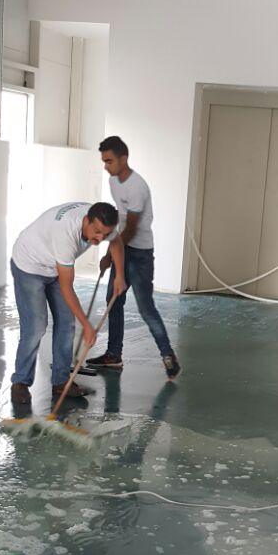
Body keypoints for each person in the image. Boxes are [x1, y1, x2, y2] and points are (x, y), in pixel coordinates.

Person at [10, 200, 125, 405]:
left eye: (105, 234)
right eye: (97, 232)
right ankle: (20, 382)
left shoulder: (103, 221)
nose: (100, 238)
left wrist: (119, 276)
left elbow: (116, 242)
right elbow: (66, 288)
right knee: (36, 326)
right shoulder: (65, 234)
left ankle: (61, 381)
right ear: (86, 221)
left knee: (66, 322)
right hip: (29, 265)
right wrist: (87, 325)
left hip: (54, 266)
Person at [88, 136, 181, 380]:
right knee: (113, 300)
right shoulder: (113, 181)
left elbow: (129, 229)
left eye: (109, 161)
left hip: (139, 255)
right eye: (104, 161)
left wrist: (111, 255)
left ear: (124, 159)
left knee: (145, 307)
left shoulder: (137, 187)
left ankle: (168, 355)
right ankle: (113, 355)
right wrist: (109, 255)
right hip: (123, 248)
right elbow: (117, 223)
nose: (105, 166)